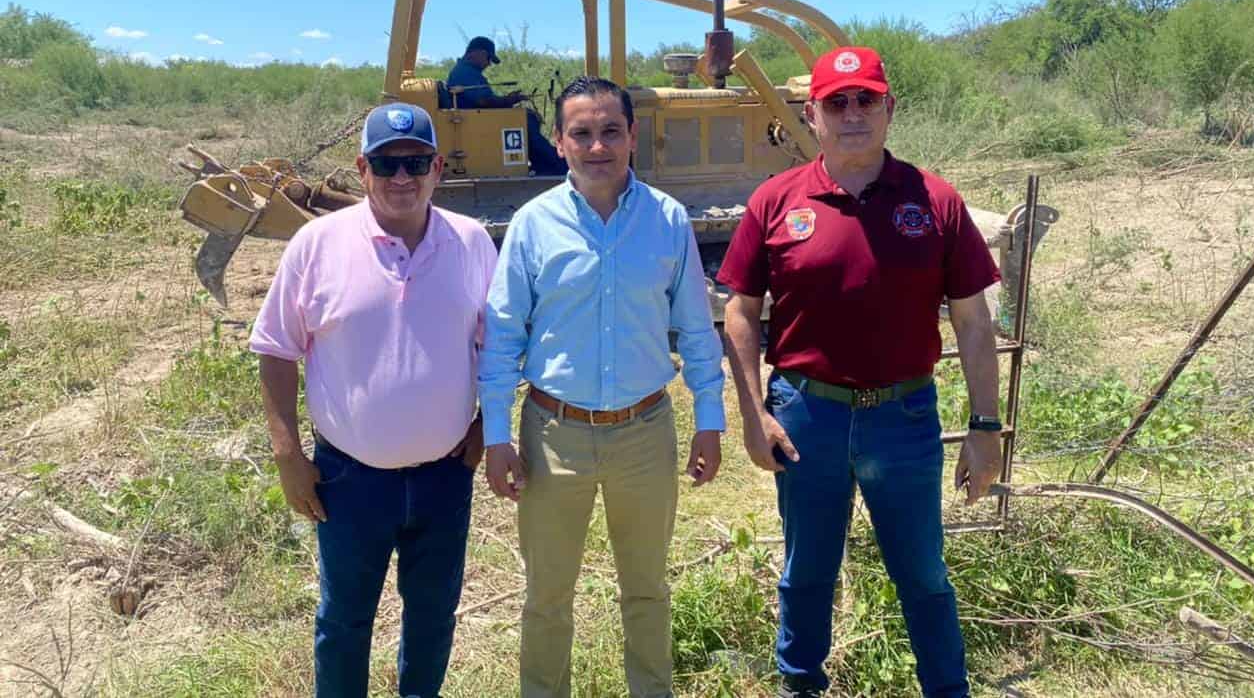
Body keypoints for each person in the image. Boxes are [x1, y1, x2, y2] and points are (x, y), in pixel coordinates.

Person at [716, 47, 1003, 698]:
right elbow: (740, 313)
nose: (852, 114)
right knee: (806, 570)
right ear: (811, 113)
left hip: (902, 419)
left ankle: (946, 689)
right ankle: (801, 686)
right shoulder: (775, 200)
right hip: (805, 414)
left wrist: (986, 426)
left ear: (888, 109)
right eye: (837, 102)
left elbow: (974, 323)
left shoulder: (934, 200)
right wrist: (754, 413)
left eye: (866, 100)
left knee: (924, 573)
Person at [479, 76, 726, 698]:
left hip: (645, 434)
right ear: (559, 142)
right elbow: (503, 335)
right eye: (581, 134)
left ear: (632, 137)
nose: (597, 147)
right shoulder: (533, 225)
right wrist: (497, 434)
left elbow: (696, 328)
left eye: (610, 131)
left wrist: (710, 420)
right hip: (553, 435)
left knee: (646, 589)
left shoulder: (667, 220)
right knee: (547, 597)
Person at [249, 101, 497, 698]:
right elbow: (277, 347)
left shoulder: (472, 243)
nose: (402, 178)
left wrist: (488, 427)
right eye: (387, 164)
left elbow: (501, 345)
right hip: (348, 480)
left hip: (444, 477)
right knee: (343, 622)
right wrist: (288, 456)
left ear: (440, 167)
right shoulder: (317, 244)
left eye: (416, 162)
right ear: (362, 169)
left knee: (433, 619)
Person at [446, 35, 567, 175]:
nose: (489, 64)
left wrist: (508, 100)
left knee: (527, 116)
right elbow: (484, 102)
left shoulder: (468, 72)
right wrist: (509, 101)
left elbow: (483, 100)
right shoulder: (464, 72)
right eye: (488, 59)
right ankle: (553, 163)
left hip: (478, 119)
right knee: (525, 120)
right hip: (476, 123)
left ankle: (544, 163)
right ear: (477, 53)